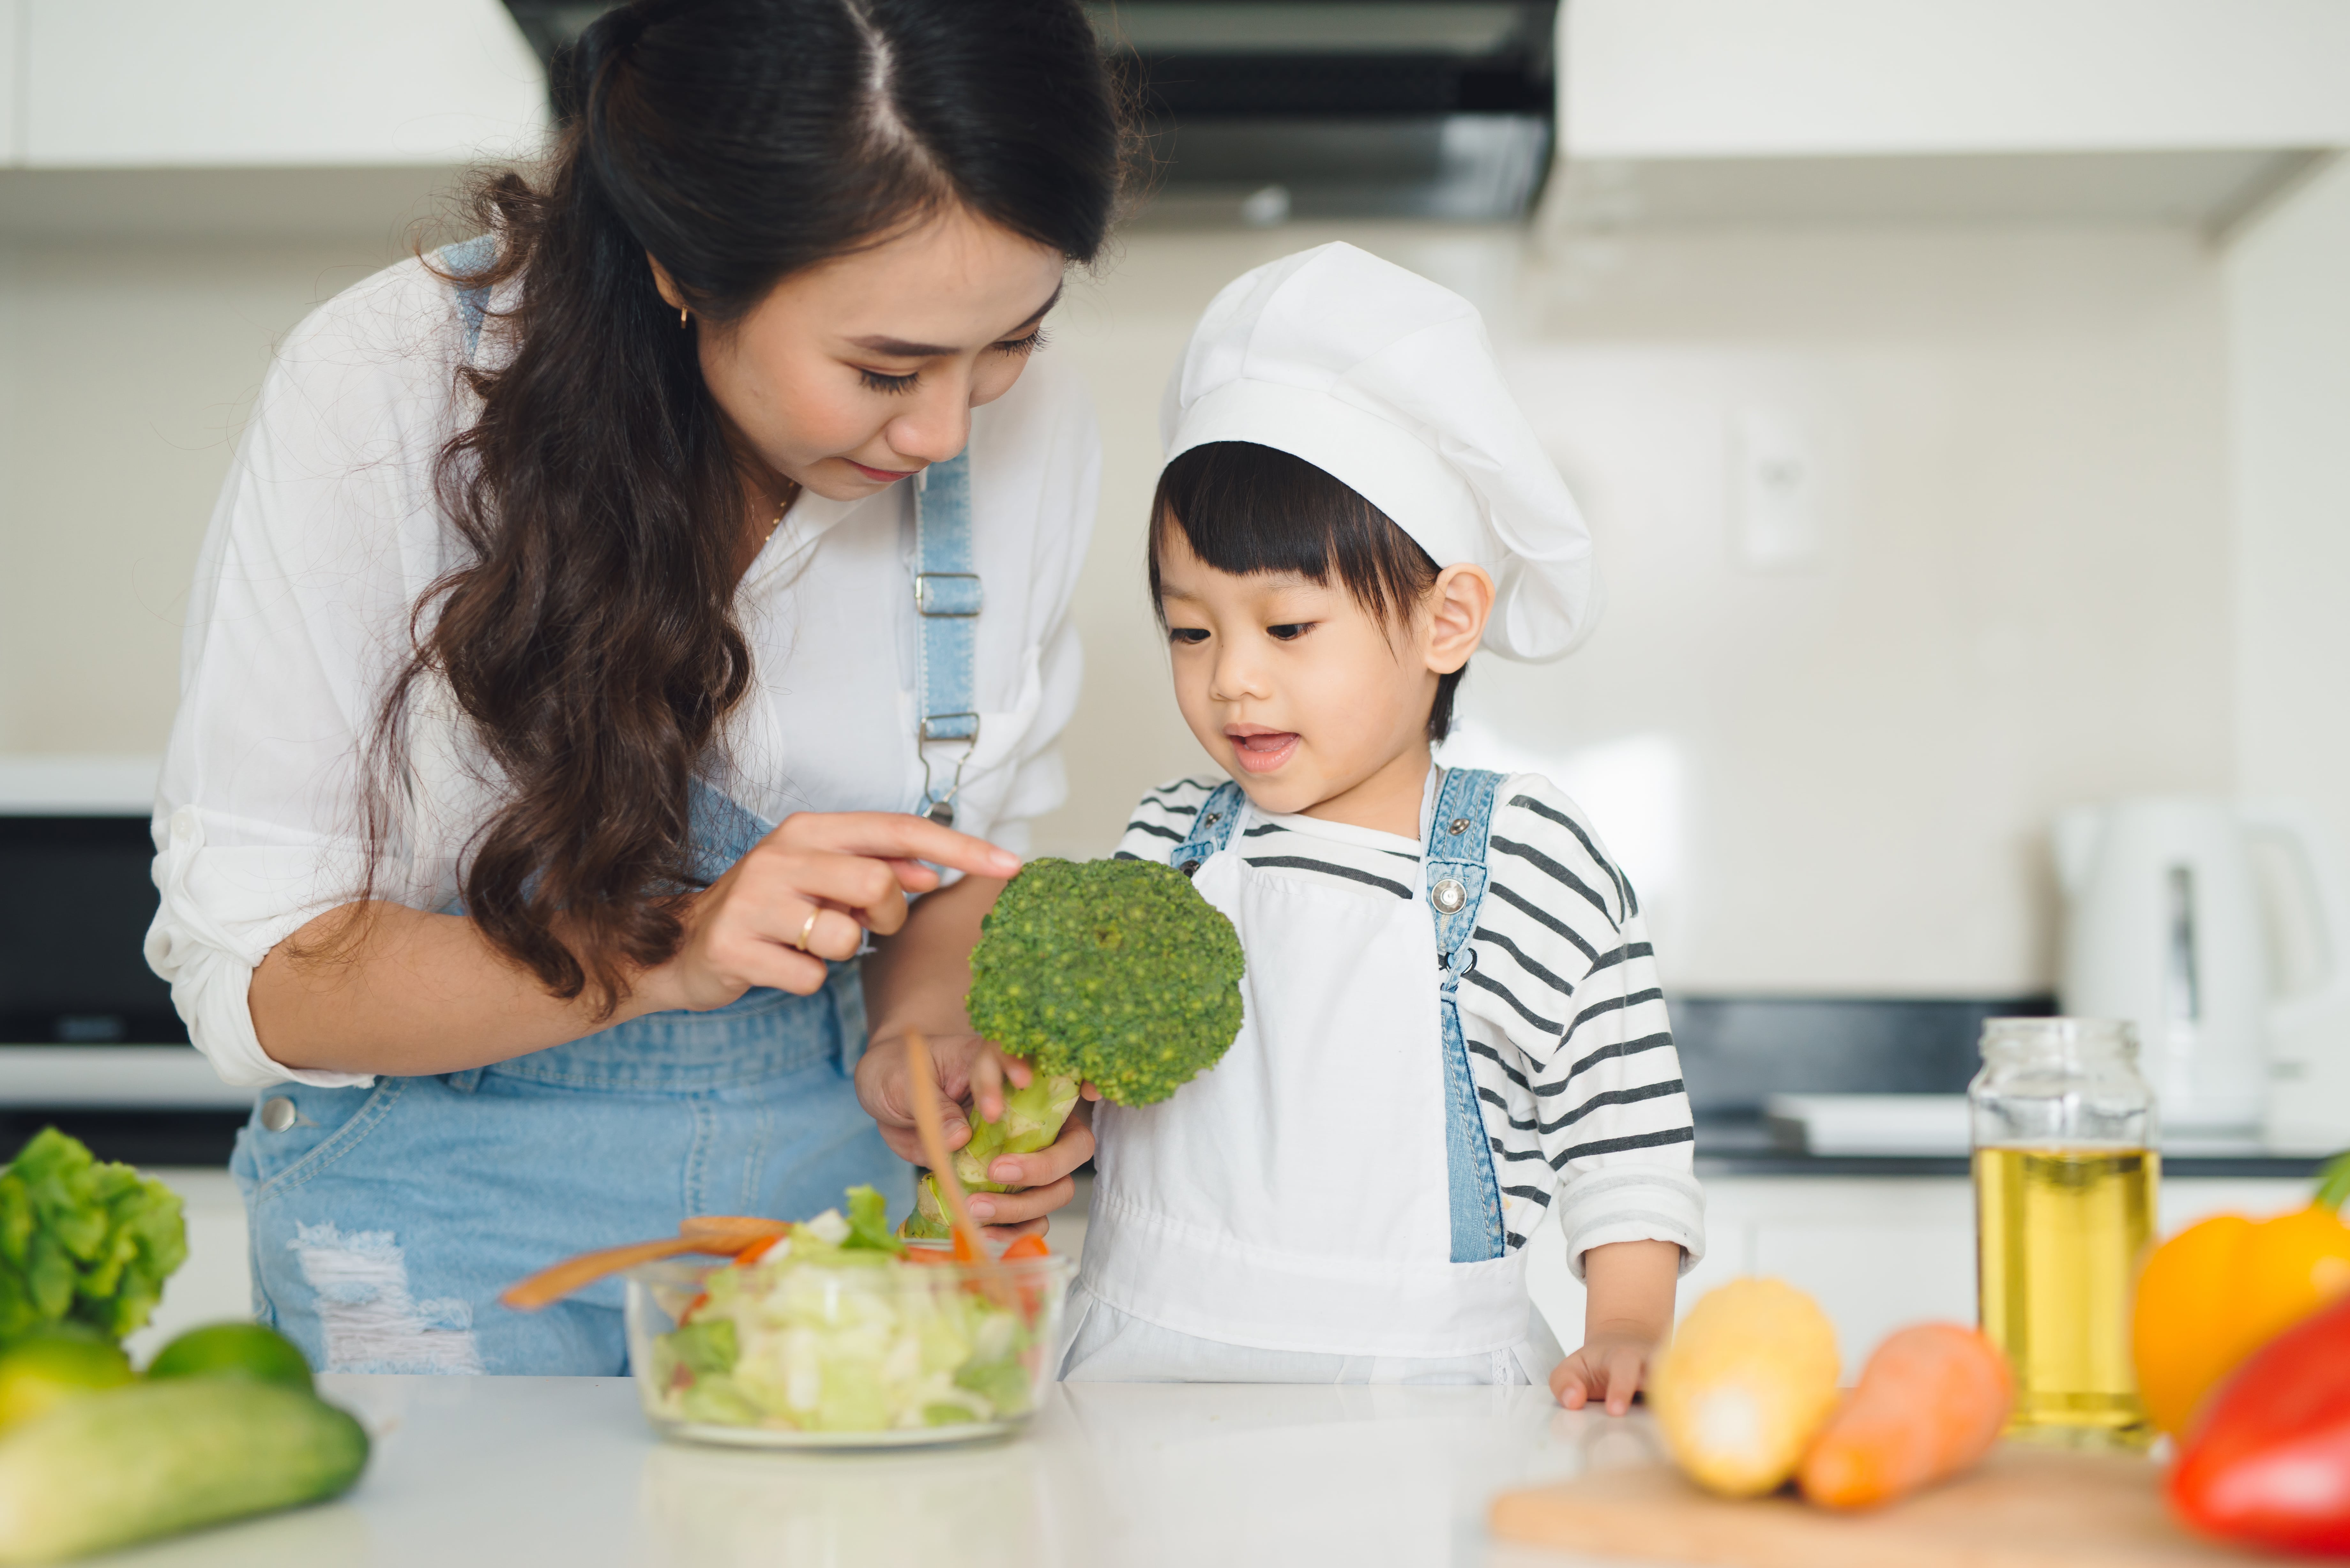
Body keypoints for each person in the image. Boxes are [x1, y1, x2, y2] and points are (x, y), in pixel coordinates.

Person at [142, 0, 1118, 1375]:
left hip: (816, 1243)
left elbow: (957, 858)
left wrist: (927, 1035)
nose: (951, 427)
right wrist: (673, 950)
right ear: (683, 265)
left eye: (1014, 337)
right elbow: (268, 983)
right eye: (883, 368)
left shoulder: (1030, 432)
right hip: (432, 1272)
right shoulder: (384, 390)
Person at [1060, 244, 1705, 1403]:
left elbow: (1625, 1134)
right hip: (1131, 1375)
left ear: (1446, 618)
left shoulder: (1524, 864)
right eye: (1191, 632)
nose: (1232, 683)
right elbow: (1080, 1077)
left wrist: (1628, 1322)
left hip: (1423, 1394)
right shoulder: (1165, 844)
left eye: (1288, 629)